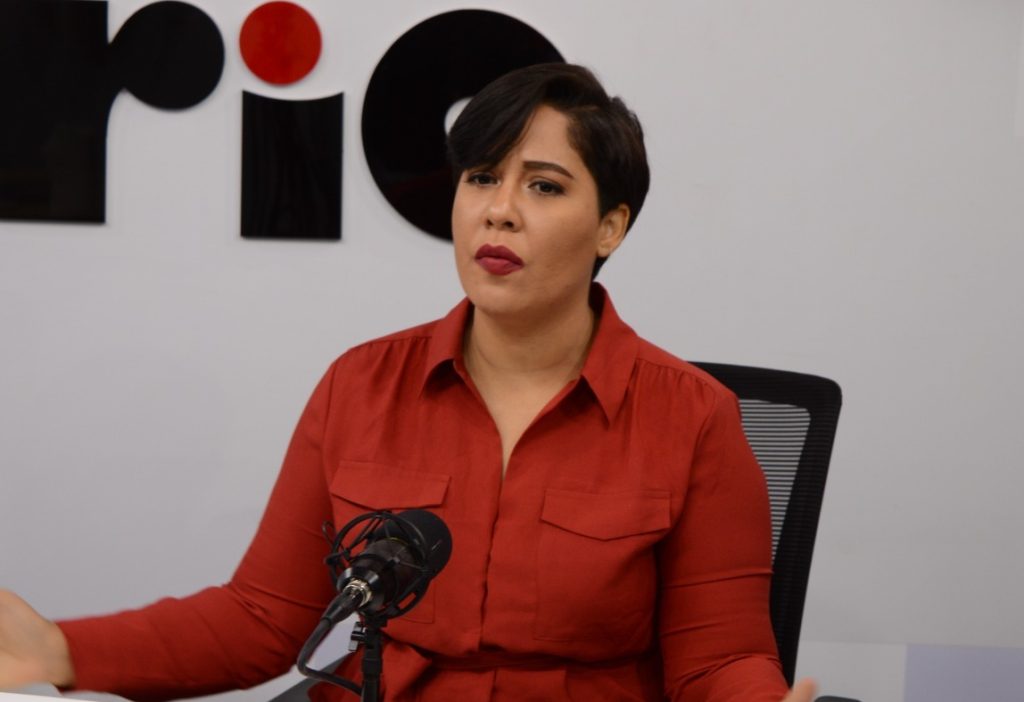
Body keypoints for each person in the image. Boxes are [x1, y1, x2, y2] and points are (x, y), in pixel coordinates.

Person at [0, 63, 818, 702]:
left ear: (611, 226)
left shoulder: (694, 418)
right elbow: (262, 620)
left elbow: (719, 661)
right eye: (481, 178)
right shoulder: (361, 385)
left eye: (543, 185)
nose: (499, 211)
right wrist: (63, 650)